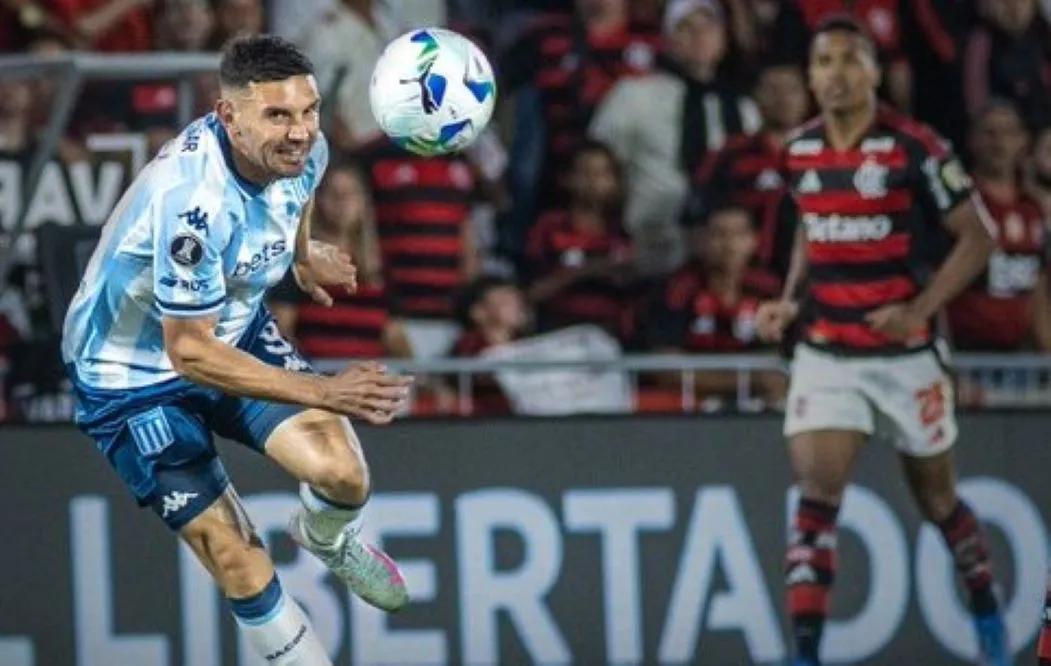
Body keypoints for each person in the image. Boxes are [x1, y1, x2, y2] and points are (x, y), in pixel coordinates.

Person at [61, 36, 412, 666]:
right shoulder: (193, 203)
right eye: (278, 116)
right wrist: (324, 391)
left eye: (307, 111)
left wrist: (301, 258)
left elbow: (298, 192)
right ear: (229, 116)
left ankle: (325, 538)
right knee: (236, 556)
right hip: (130, 377)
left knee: (343, 474)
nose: (300, 131)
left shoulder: (304, 147)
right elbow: (188, 354)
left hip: (231, 328)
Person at [754, 17, 1007, 666]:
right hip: (826, 352)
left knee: (937, 502)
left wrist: (917, 308)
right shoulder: (798, 150)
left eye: (849, 59)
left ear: (873, 72)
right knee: (815, 495)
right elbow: (810, 224)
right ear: (809, 75)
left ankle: (983, 601)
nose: (834, 73)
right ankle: (805, 654)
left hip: (904, 357)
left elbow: (977, 236)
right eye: (823, 61)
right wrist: (788, 297)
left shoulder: (915, 146)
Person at [589, 0, 759, 273]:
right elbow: (598, 170)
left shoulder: (743, 109)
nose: (699, 36)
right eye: (686, 28)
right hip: (650, 245)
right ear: (667, 39)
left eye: (709, 27)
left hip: (725, 255)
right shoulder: (633, 95)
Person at [269, 160, 413, 360]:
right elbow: (282, 331)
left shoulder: (378, 268)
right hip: (314, 383)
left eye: (351, 193)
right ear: (317, 201)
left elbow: (395, 336)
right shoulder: (297, 263)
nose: (342, 201)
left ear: (363, 202)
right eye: (333, 193)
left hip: (367, 385)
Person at [645, 205, 784, 408]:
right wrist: (746, 381)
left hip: (757, 401)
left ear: (754, 240)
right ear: (701, 241)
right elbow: (666, 369)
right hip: (692, 401)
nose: (729, 244)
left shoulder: (769, 290)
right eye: (719, 234)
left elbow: (775, 367)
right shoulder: (678, 289)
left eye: (739, 234)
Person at [689, 61, 809, 277]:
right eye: (772, 89)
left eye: (791, 89)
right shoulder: (729, 154)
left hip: (812, 279)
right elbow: (699, 217)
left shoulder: (826, 157)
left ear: (806, 96)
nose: (782, 98)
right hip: (748, 283)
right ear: (755, 96)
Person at [948, 101, 1051, 351]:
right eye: (990, 133)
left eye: (1008, 132)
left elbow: (1036, 290)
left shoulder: (1033, 208)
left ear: (1023, 141)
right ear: (973, 139)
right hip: (964, 355)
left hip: (1017, 359)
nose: (999, 142)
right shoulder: (956, 205)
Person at [525, 139, 635, 343]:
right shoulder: (549, 227)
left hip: (609, 339)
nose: (595, 181)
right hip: (557, 337)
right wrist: (585, 271)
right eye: (587, 173)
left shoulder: (621, 233)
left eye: (604, 173)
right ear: (567, 178)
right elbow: (531, 292)